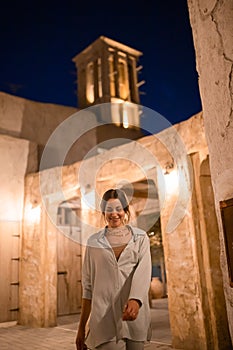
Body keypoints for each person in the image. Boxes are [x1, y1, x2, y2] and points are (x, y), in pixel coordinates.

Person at [76, 188, 152, 350]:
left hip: (134, 319)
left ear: (125, 210)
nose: (114, 213)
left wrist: (136, 300)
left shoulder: (140, 239)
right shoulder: (93, 242)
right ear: (103, 212)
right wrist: (81, 328)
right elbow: (88, 287)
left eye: (118, 209)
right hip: (103, 321)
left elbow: (143, 273)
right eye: (109, 209)